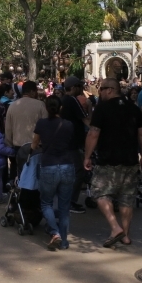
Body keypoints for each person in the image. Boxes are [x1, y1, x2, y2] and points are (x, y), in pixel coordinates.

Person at [84, 78, 142, 248]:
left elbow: (93, 134)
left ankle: (115, 227)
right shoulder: (134, 109)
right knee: (127, 199)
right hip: (130, 160)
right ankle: (125, 235)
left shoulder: (102, 108)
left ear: (110, 90)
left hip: (108, 160)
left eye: (102, 89)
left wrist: (87, 156)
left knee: (99, 192)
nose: (100, 92)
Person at [32, 95, 75, 249]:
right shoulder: (68, 124)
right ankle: (63, 241)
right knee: (64, 206)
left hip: (48, 165)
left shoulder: (41, 124)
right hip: (67, 165)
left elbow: (35, 143)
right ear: (60, 108)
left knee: (46, 203)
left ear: (45, 108)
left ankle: (54, 232)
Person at [3, 81, 48, 189]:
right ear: (32, 91)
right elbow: (46, 126)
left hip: (18, 146)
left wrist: (9, 144)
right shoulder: (40, 105)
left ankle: (17, 200)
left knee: (19, 175)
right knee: (35, 176)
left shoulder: (12, 106)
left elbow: (8, 129)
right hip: (37, 146)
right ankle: (33, 200)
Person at [60, 76, 91, 214]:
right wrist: (96, 130)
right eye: (79, 86)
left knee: (69, 172)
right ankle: (71, 201)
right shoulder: (72, 100)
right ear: (73, 87)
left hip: (65, 140)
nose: (82, 88)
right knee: (79, 171)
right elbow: (85, 119)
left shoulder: (63, 100)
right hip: (72, 142)